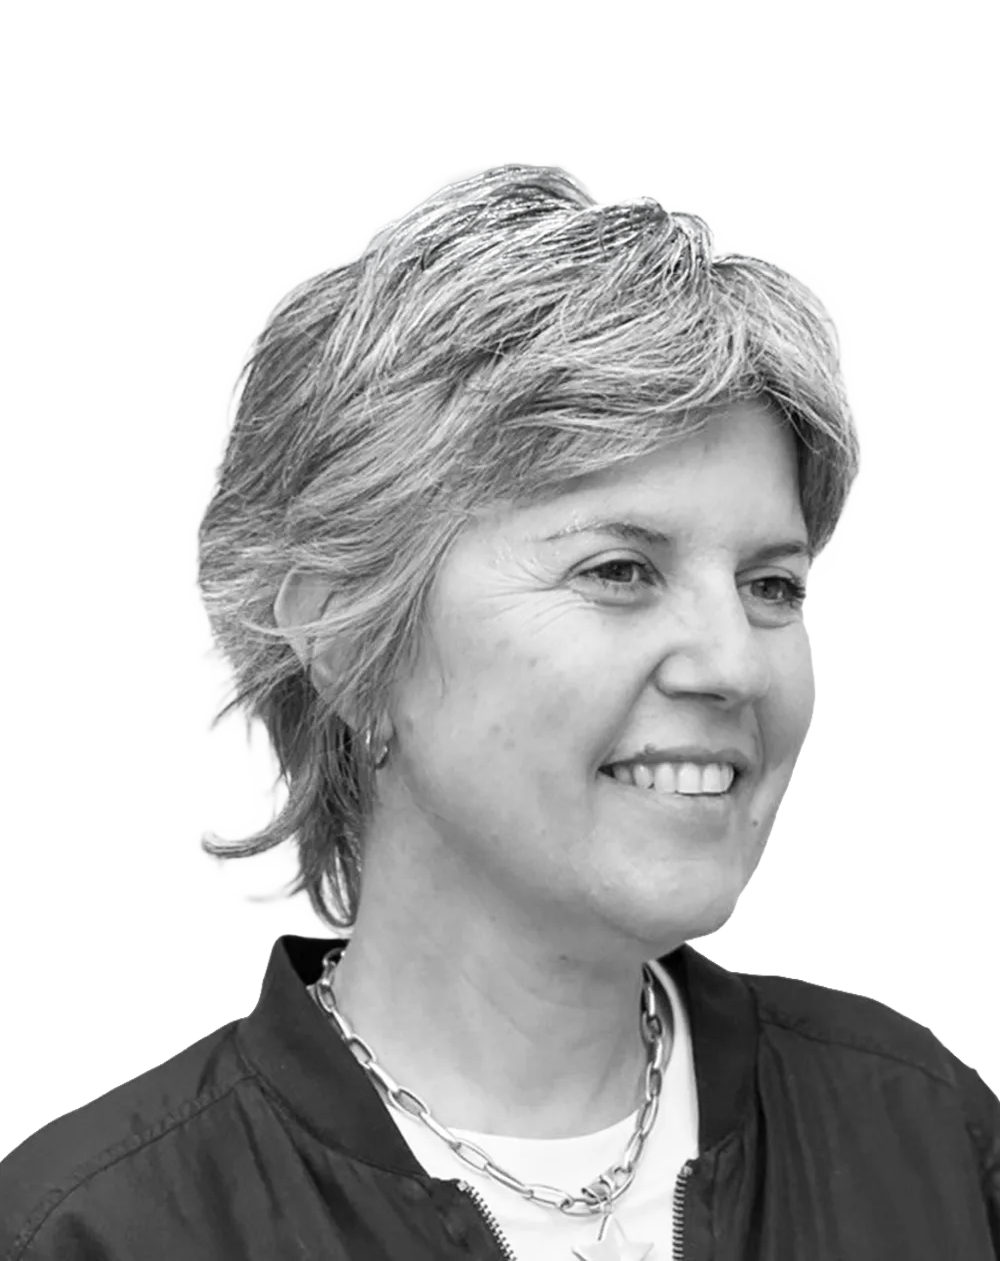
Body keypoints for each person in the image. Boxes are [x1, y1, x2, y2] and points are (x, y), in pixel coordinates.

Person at [2, 162, 998, 1261]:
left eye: (771, 585)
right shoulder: (103, 1233)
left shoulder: (925, 1140)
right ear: (346, 638)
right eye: (619, 570)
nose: (734, 665)